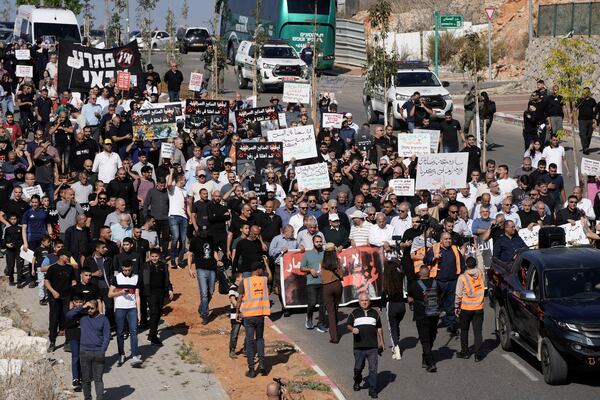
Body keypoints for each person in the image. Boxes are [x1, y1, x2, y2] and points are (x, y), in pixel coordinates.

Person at [65, 299, 110, 400]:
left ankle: (99, 398)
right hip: (84, 352)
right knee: (85, 380)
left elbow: (107, 336)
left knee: (98, 379)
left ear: (97, 308)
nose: (90, 310)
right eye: (88, 308)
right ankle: (87, 398)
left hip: (98, 352)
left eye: (92, 308)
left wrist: (103, 350)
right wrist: (82, 307)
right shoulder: (83, 317)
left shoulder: (103, 319)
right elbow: (69, 315)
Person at [423, 232, 465, 334]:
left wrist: (462, 277)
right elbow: (426, 260)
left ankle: (451, 325)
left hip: (452, 281)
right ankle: (432, 326)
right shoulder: (434, 248)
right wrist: (434, 257)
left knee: (451, 305)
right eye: (446, 239)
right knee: (435, 305)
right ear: (441, 240)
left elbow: (462, 263)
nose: (448, 241)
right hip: (438, 282)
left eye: (449, 239)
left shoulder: (455, 249)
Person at [236, 261, 272, 378]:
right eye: (261, 269)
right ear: (258, 270)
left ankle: (251, 370)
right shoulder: (263, 280)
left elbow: (239, 298)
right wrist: (266, 263)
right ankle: (262, 366)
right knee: (260, 340)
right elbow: (270, 276)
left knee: (250, 342)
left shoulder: (244, 282)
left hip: (248, 317)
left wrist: (237, 312)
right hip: (260, 316)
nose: (262, 272)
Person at [347, 293, 384, 399]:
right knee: (358, 368)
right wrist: (352, 329)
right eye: (362, 300)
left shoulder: (375, 313)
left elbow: (379, 328)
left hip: (373, 347)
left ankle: (372, 390)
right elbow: (348, 325)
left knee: (373, 369)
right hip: (359, 347)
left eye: (366, 300)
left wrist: (382, 342)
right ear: (359, 302)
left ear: (369, 301)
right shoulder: (354, 313)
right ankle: (357, 380)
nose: (364, 302)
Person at [108, 261, 142, 367]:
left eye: (129, 270)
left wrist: (139, 312)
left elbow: (137, 296)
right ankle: (121, 354)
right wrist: (121, 292)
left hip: (132, 308)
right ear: (122, 268)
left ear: (132, 268)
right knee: (120, 332)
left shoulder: (136, 278)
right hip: (120, 308)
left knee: (134, 331)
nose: (127, 272)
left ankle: (135, 355)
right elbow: (110, 294)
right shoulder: (116, 278)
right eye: (125, 270)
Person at [408, 266, 440, 372]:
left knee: (424, 340)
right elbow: (441, 295)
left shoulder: (414, 285)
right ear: (429, 273)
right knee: (432, 336)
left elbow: (410, 298)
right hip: (434, 315)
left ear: (420, 274)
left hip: (421, 316)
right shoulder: (436, 283)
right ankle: (426, 357)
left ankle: (431, 363)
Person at [187, 228, 223, 325]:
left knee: (210, 291)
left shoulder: (212, 238)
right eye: (202, 231)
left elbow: (215, 252)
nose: (204, 232)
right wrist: (189, 268)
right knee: (203, 293)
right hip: (201, 269)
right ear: (198, 231)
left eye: (206, 230)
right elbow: (190, 254)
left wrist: (218, 260)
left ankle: (201, 307)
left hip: (212, 268)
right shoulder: (194, 240)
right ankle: (205, 315)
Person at [44, 248, 76, 352]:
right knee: (54, 320)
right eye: (67, 256)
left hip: (67, 297)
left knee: (68, 319)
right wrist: (53, 292)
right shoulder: (52, 268)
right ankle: (52, 342)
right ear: (61, 256)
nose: (68, 259)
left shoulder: (70, 269)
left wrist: (74, 285)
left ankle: (67, 342)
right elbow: (46, 282)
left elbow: (73, 280)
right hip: (54, 298)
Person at [139, 248, 173, 346]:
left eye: (156, 256)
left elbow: (167, 279)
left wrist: (170, 289)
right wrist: (142, 294)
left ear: (159, 257)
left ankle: (151, 334)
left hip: (161, 293)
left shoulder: (164, 266)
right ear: (149, 257)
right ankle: (153, 337)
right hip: (150, 293)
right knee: (154, 313)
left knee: (158, 314)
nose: (154, 258)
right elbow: (143, 281)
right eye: (152, 256)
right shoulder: (146, 266)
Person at [455, 256, 485, 362]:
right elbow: (481, 261)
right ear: (475, 264)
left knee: (464, 330)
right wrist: (477, 250)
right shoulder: (481, 273)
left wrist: (456, 306)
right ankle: (478, 354)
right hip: (479, 308)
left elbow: (458, 294)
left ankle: (465, 352)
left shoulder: (462, 277)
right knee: (478, 331)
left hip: (466, 308)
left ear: (466, 265)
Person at [299, 235, 327, 333]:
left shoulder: (325, 253)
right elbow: (301, 268)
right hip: (311, 282)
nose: (319, 243)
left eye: (320, 241)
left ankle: (321, 324)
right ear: (313, 242)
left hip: (324, 282)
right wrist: (310, 270)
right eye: (317, 242)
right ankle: (309, 318)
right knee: (312, 302)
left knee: (323, 304)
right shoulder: (308, 254)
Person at [381, 258, 406, 360]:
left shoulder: (386, 280)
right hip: (402, 306)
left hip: (392, 306)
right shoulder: (400, 276)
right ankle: (396, 343)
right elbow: (401, 268)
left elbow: (383, 295)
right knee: (397, 325)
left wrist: (380, 305)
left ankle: (396, 348)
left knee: (392, 328)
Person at [321, 243, 343, 344]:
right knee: (335, 308)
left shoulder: (322, 262)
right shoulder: (337, 261)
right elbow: (341, 275)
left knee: (330, 312)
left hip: (327, 287)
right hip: (338, 285)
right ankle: (335, 326)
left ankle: (334, 337)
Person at [228, 272, 243, 359]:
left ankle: (246, 349)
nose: (244, 278)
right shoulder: (232, 288)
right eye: (242, 277)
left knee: (250, 331)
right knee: (235, 333)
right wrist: (240, 310)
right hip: (235, 314)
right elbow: (233, 300)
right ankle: (232, 350)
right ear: (237, 278)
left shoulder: (243, 288)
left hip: (243, 313)